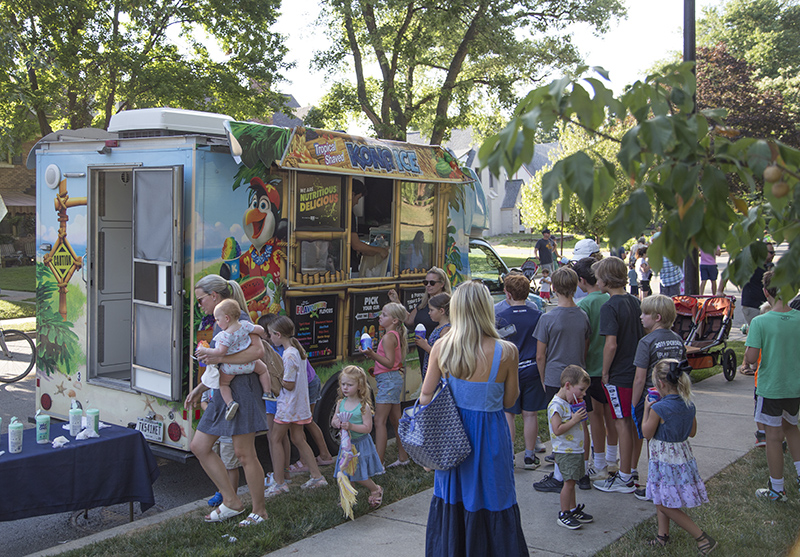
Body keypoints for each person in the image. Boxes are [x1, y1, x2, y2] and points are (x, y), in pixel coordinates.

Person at [422, 281, 528, 556]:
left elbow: (425, 397)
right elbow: (509, 401)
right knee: (494, 497)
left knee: (452, 499)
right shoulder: (506, 352)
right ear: (486, 309)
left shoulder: (442, 347)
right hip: (489, 438)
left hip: (452, 439)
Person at [185, 274, 270, 526]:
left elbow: (258, 352)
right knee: (199, 446)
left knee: (245, 454)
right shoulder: (218, 322)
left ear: (214, 296)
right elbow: (217, 363)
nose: (200, 305)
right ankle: (231, 501)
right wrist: (200, 388)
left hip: (241, 391)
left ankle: (260, 511)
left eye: (201, 300)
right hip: (223, 391)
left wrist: (219, 360)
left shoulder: (237, 318)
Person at [642, 359, 716, 555]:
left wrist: (646, 409)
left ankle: (702, 538)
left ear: (660, 384)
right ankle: (662, 535)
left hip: (664, 461)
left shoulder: (659, 408)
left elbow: (646, 433)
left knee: (663, 504)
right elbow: (692, 432)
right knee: (662, 495)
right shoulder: (688, 403)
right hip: (682, 458)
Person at [532, 267, 592, 493]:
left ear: (553, 288)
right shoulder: (583, 316)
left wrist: (544, 378)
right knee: (581, 423)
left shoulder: (547, 318)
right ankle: (582, 471)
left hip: (555, 378)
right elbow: (585, 345)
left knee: (557, 426)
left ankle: (559, 475)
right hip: (578, 378)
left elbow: (540, 355)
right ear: (576, 286)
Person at [743, 270, 800, 502]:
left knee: (773, 436)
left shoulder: (760, 321)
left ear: (766, 292)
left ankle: (777, 489)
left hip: (771, 387)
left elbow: (751, 358)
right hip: (794, 387)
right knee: (792, 429)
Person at [591, 256, 644, 495]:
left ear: (606, 279)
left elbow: (610, 344)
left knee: (621, 422)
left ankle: (624, 477)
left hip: (620, 375)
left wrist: (604, 372)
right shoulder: (634, 301)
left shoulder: (609, 306)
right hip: (637, 371)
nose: (596, 281)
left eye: (599, 276)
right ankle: (630, 469)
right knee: (634, 424)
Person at [265, 316, 328, 496]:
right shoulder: (297, 351)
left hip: (288, 406)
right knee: (298, 439)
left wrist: (274, 379)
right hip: (299, 405)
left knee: (275, 439)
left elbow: (289, 384)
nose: (269, 338)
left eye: (271, 334)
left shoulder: (288, 354)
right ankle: (317, 477)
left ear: (278, 334)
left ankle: (279, 483)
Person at [631, 294, 686, 500]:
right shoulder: (678, 340)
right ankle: (671, 481)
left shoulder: (646, 342)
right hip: (674, 399)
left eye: (645, 313)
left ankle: (654, 485)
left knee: (652, 444)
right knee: (669, 443)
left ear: (657, 317)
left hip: (652, 401)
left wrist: (634, 403)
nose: (641, 317)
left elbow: (639, 378)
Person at [497, 273, 545, 469]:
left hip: (510, 371)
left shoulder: (500, 317)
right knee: (530, 414)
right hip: (533, 369)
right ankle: (529, 455)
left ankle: (509, 457)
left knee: (509, 414)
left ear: (507, 294)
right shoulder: (538, 316)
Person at [574, 257, 615, 482]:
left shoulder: (584, 305)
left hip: (591, 370)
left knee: (594, 418)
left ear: (581, 280)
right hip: (611, 369)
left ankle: (598, 463)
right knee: (612, 417)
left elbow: (584, 339)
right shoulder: (610, 299)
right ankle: (612, 459)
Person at [197, 299, 271, 420]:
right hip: (249, 364)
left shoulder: (224, 336)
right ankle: (267, 392)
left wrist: (205, 351)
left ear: (226, 318)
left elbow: (220, 352)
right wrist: (261, 333)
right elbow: (260, 330)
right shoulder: (245, 325)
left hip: (231, 368)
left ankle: (230, 403)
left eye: (217, 320)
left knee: (223, 384)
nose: (217, 322)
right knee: (263, 370)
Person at [360, 302, 410, 468]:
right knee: (396, 420)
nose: (380, 317)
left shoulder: (389, 337)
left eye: (384, 315)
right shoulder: (394, 335)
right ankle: (403, 456)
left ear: (395, 320)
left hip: (388, 380)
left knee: (379, 421)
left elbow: (389, 363)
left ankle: (378, 463)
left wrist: (372, 353)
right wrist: (373, 356)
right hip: (392, 379)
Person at [331, 365, 385, 508]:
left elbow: (367, 428)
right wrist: (337, 423)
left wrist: (351, 426)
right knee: (345, 474)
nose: (345, 388)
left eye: (350, 385)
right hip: (346, 445)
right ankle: (348, 497)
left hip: (360, 445)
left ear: (360, 386)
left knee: (359, 475)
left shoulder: (363, 406)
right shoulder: (340, 403)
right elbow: (334, 420)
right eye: (343, 384)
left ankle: (375, 489)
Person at [549, 365, 593, 530]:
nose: (584, 394)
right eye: (581, 389)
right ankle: (564, 513)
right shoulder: (556, 405)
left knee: (572, 481)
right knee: (568, 483)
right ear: (568, 385)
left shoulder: (569, 402)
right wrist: (574, 420)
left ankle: (573, 509)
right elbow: (557, 429)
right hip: (565, 451)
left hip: (575, 449)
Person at [388, 266, 452, 365]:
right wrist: (396, 302)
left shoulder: (448, 304)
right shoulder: (423, 303)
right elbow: (409, 320)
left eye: (432, 283)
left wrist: (426, 346)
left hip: (436, 353)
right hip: (423, 353)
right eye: (426, 282)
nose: (428, 286)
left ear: (442, 284)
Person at [200, 389, 241, 508]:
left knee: (230, 465)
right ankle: (222, 491)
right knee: (216, 462)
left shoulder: (230, 386)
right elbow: (203, 401)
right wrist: (212, 412)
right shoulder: (209, 383)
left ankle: (232, 497)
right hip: (213, 430)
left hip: (228, 432)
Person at [350, 178, 388, 273]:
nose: (357, 203)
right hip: (349, 266)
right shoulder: (348, 215)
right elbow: (356, 245)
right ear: (352, 194)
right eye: (357, 198)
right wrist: (380, 250)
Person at [416, 293, 451, 380]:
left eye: (431, 310)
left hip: (437, 375)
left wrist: (426, 346)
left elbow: (443, 356)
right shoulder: (438, 327)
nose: (429, 313)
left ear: (441, 311)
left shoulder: (446, 330)